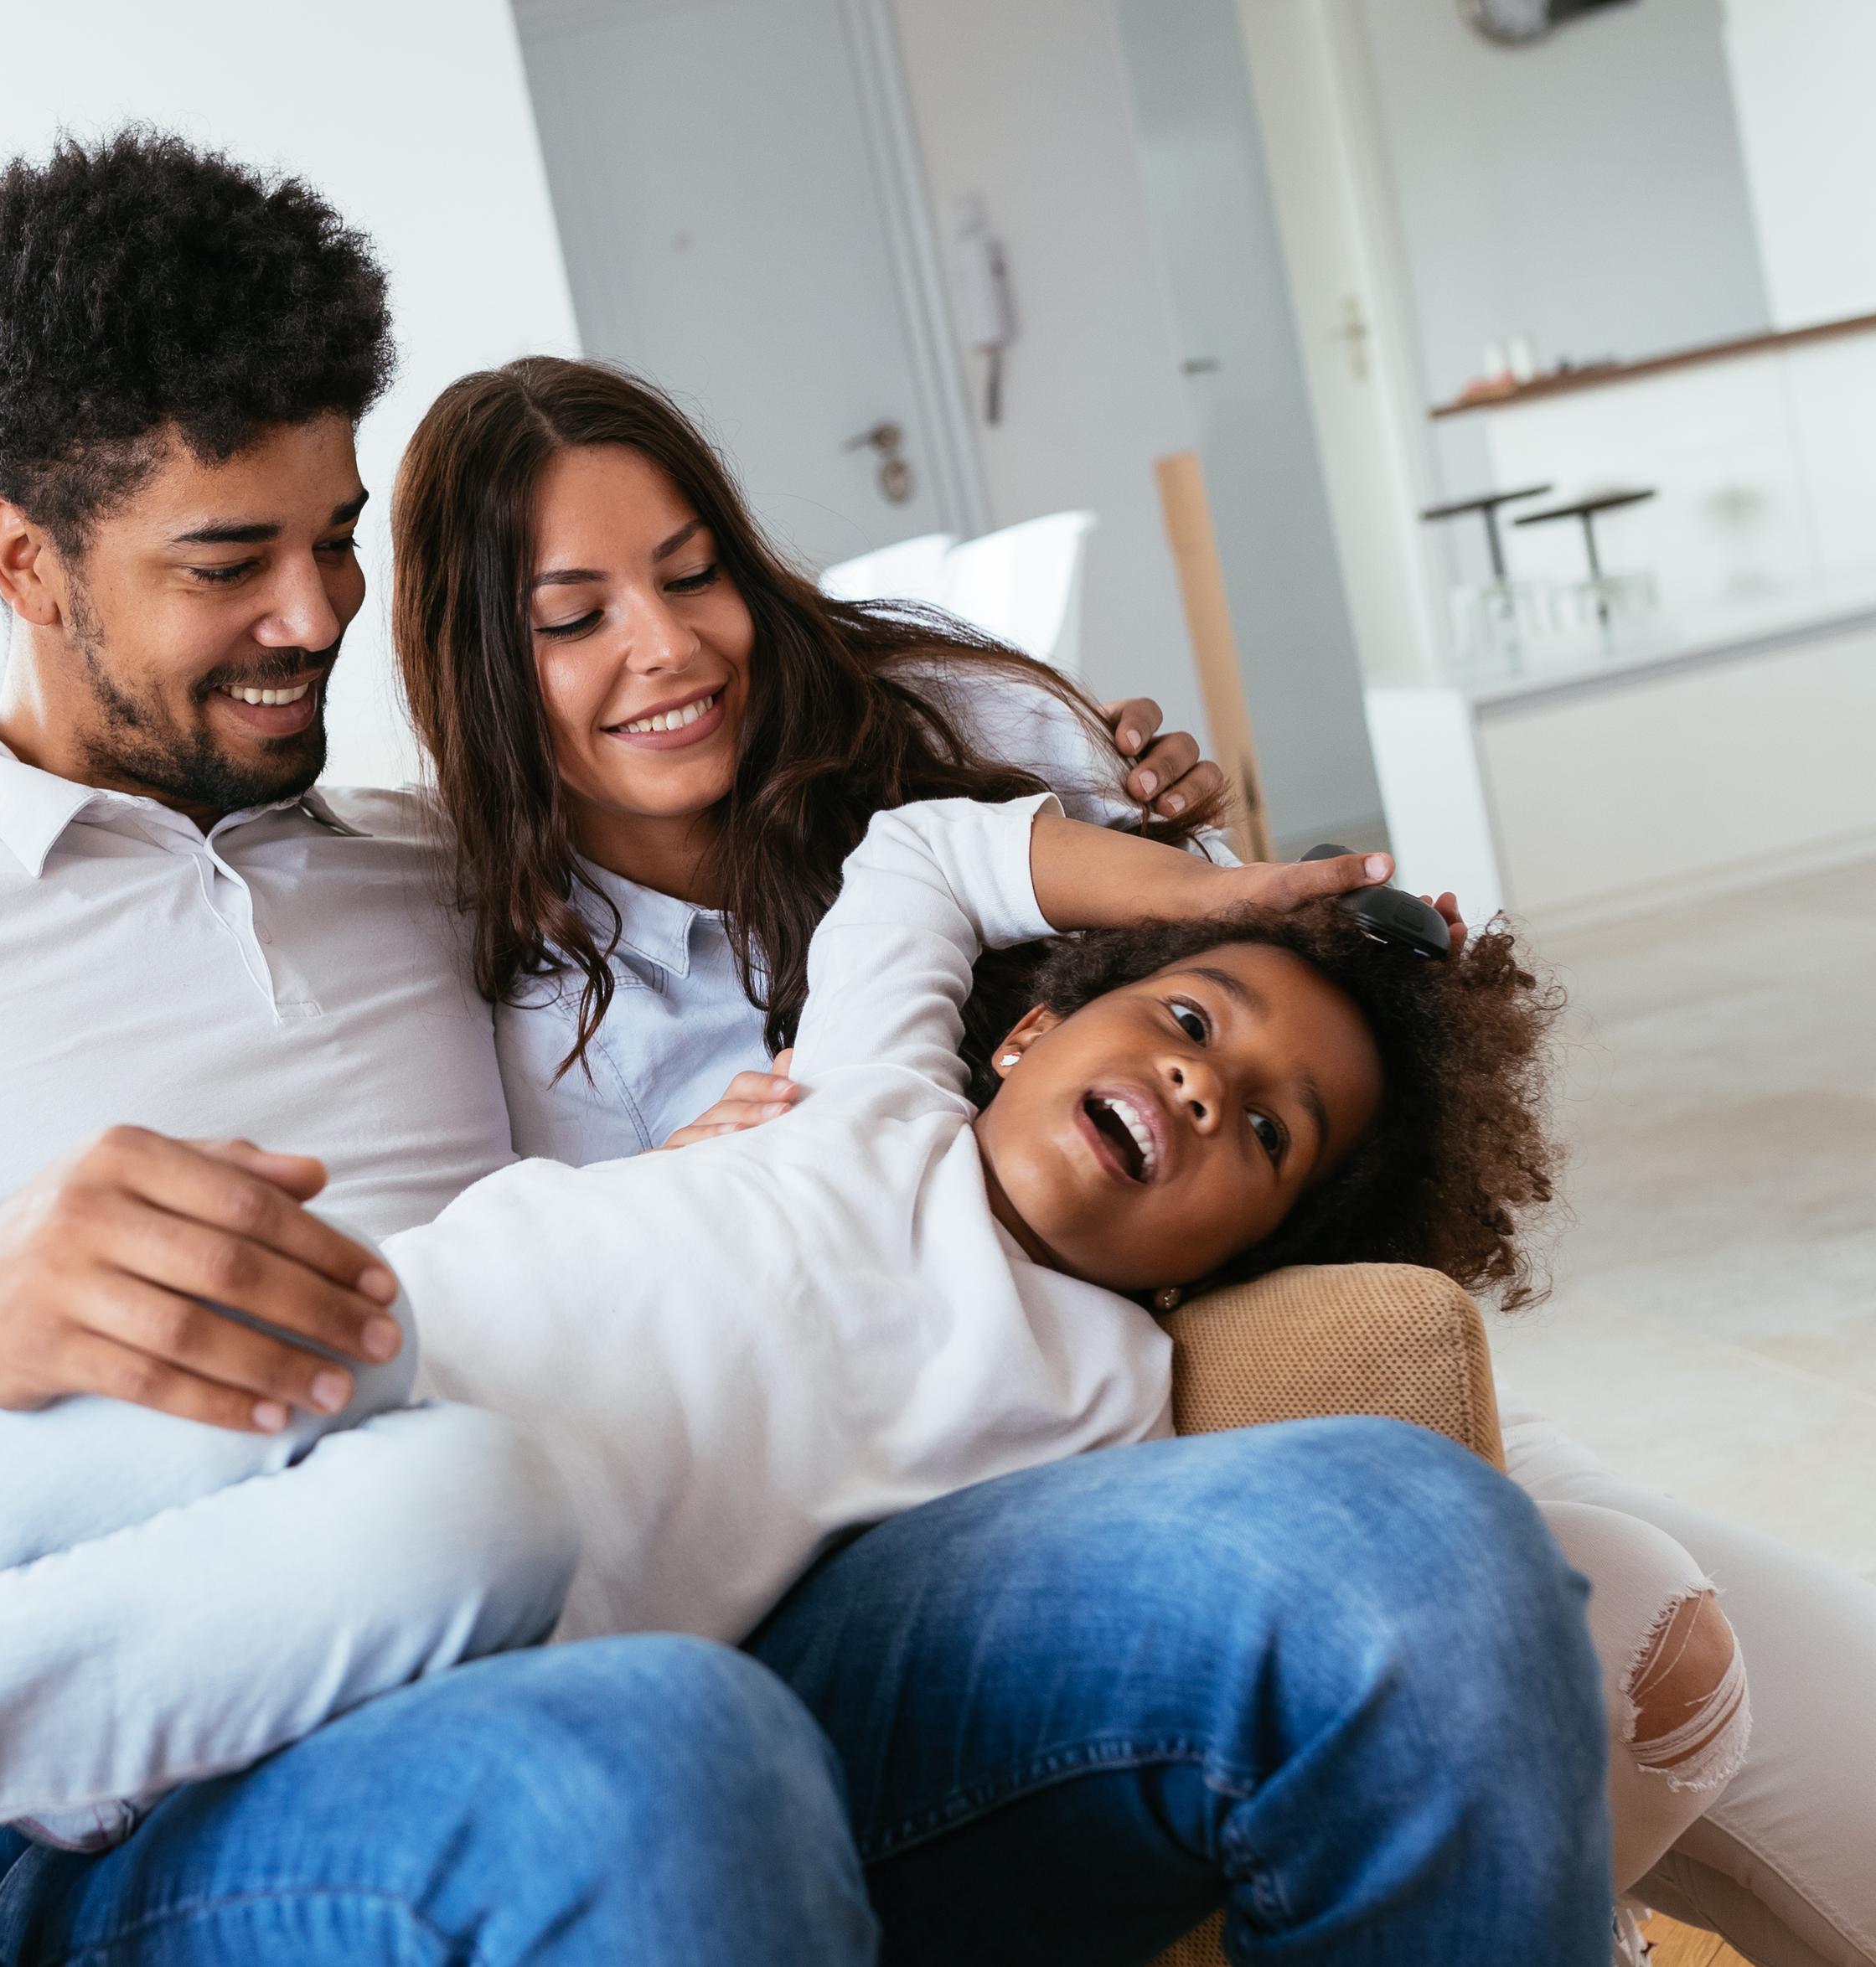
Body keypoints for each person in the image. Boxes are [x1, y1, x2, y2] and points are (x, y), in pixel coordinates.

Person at [0, 130, 1601, 1965]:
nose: (314, 616)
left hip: (703, 1586)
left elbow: (851, 845)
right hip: (193, 1756)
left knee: (1410, 1556)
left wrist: (1132, 809)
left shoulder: (458, 863)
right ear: (25, 556)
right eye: (228, 562)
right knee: (669, 1752)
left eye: (332, 535)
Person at [0, 797, 1592, 1964]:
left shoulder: (1098, 1387)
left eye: (1265, 1131)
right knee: (440, 1452)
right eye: (1183, 1019)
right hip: (203, 1457)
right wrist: (1216, 885)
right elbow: (918, 853)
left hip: (488, 1599)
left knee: (493, 1520)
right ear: (1040, 1016)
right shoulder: (872, 1081)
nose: (1203, 1093)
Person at [388, 354, 1789, 1957]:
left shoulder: (955, 772)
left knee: (1633, 1620)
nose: (666, 644)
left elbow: (1250, 1004)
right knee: (1609, 1631)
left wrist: (1207, 878)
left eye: (695, 574)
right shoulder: (631, 1034)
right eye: (573, 618)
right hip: (721, 1565)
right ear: (484, 663)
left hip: (1149, 1347)